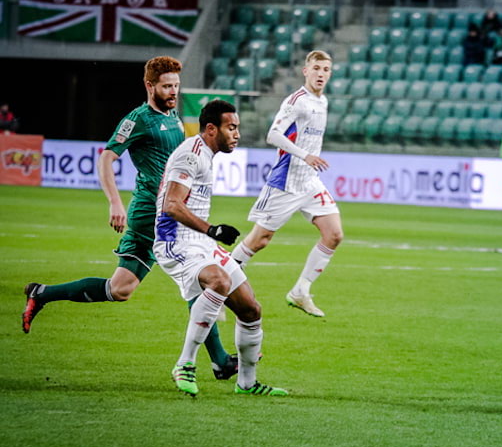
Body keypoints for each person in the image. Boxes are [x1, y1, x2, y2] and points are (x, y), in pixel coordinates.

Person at [21, 56, 238, 380]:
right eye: (166, 86)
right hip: (151, 215)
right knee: (196, 280)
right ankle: (220, 361)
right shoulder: (137, 119)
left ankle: (41, 293)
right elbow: (107, 157)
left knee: (120, 288)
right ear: (149, 85)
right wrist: (114, 203)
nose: (173, 92)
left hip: (168, 216)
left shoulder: (173, 117)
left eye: (176, 86)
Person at [155, 99, 286, 397]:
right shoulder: (190, 155)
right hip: (174, 241)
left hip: (201, 242)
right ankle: (184, 364)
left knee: (251, 308)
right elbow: (171, 204)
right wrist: (212, 229)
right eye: (232, 127)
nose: (237, 134)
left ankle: (247, 384)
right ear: (212, 129)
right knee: (219, 280)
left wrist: (208, 235)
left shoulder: (206, 153)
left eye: (237, 127)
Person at [230, 50, 343, 318]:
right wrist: (306, 156)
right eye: (316, 68)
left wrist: (309, 161)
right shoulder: (296, 101)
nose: (321, 74)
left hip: (310, 181)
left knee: (334, 234)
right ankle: (220, 284)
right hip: (287, 180)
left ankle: (300, 291)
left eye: (326, 69)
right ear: (305, 71)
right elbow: (273, 135)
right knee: (259, 241)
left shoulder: (323, 101)